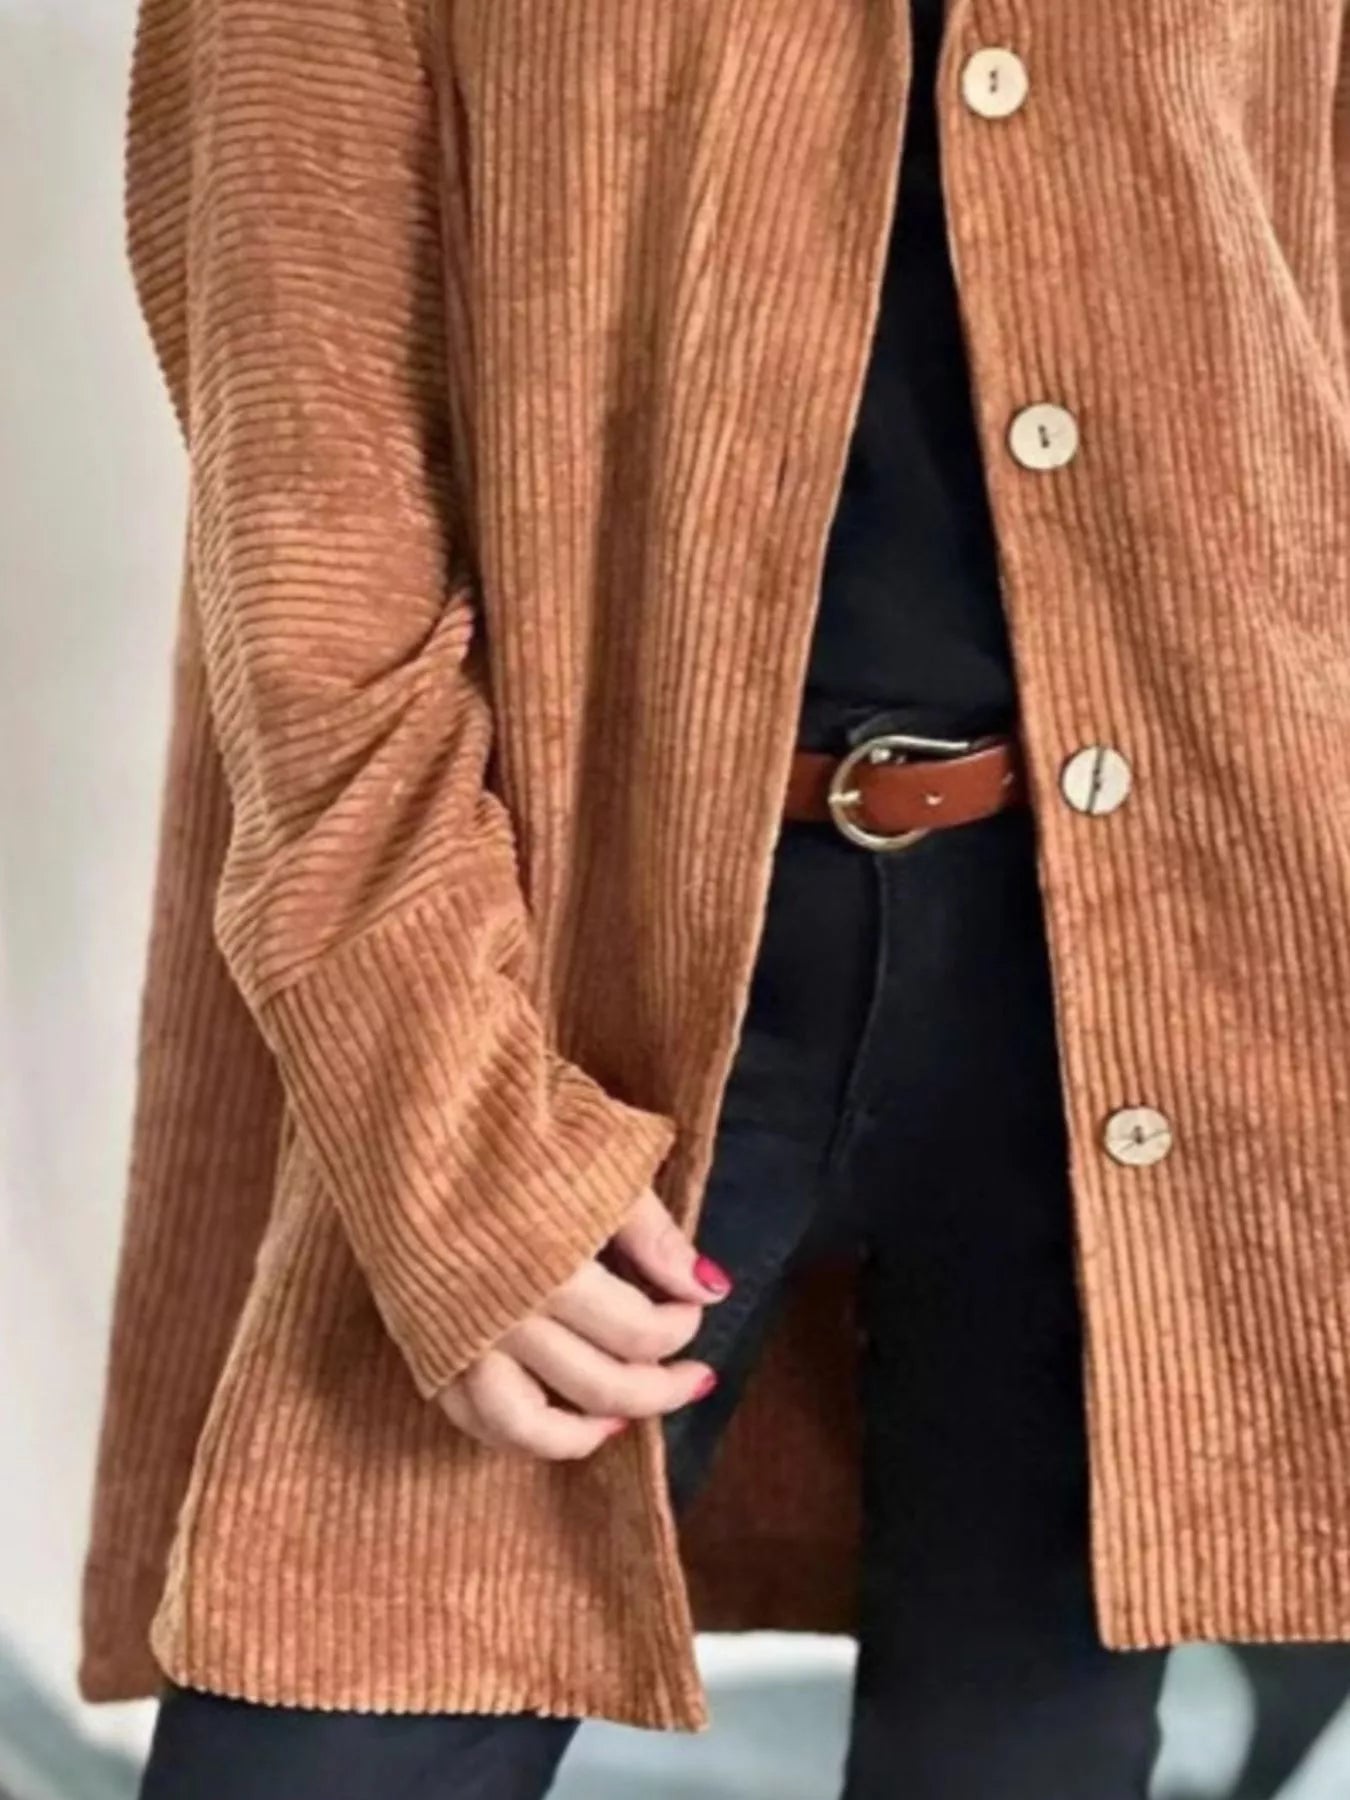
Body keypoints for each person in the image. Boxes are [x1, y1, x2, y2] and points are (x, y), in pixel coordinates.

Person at [79, 0, 1350, 1795]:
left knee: (1036, 1741)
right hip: (564, 971)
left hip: (1149, 963)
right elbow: (312, 529)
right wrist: (443, 1117)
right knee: (343, 1710)